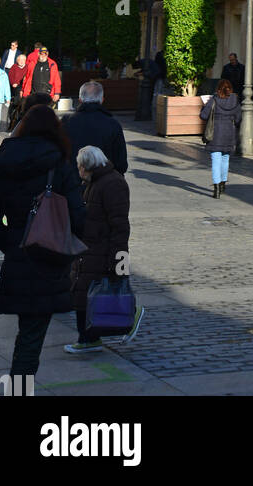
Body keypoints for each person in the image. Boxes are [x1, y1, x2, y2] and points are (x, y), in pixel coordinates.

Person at [0, 102, 86, 380]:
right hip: (49, 257)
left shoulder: (5, 162)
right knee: (31, 339)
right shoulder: (59, 163)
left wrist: (10, 242)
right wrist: (67, 247)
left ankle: (18, 385)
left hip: (18, 256)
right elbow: (78, 216)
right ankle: (18, 389)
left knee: (28, 333)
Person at [66, 144, 142, 353]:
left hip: (101, 250)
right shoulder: (93, 183)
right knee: (82, 294)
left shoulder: (112, 184)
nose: (79, 172)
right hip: (89, 249)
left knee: (90, 294)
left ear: (87, 166)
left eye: (80, 168)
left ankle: (90, 337)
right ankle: (88, 337)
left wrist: (120, 264)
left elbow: (120, 227)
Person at [63, 81, 128, 175]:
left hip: (71, 180)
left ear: (80, 100)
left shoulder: (67, 121)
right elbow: (121, 162)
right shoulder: (112, 124)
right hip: (103, 181)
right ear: (102, 100)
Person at [200, 79, 241, 198]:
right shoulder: (235, 100)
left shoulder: (213, 100)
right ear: (230, 89)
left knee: (216, 160)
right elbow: (238, 118)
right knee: (225, 158)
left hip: (215, 133)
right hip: (229, 133)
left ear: (218, 89)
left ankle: (216, 188)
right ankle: (223, 184)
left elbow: (203, 116)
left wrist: (204, 106)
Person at [6, 52, 28, 129]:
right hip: (16, 86)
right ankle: (13, 119)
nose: (21, 61)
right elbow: (10, 76)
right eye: (20, 60)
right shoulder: (14, 66)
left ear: (25, 60)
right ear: (17, 60)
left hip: (25, 86)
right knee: (16, 101)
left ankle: (22, 121)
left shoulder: (27, 67)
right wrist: (13, 83)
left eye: (23, 60)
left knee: (25, 103)